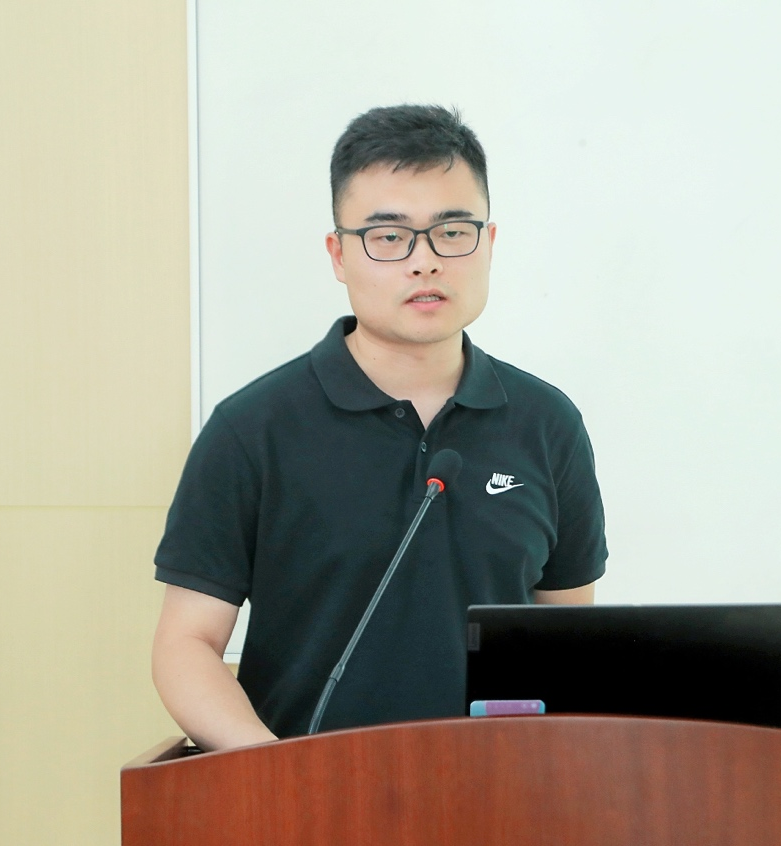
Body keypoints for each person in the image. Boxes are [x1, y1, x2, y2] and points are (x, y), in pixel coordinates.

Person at [151, 104, 608, 750]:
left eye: (452, 231)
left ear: (489, 242)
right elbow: (186, 643)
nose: (425, 262)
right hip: (308, 793)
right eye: (389, 237)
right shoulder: (252, 430)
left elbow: (568, 643)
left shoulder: (546, 423)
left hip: (497, 790)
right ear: (338, 254)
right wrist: (271, 770)